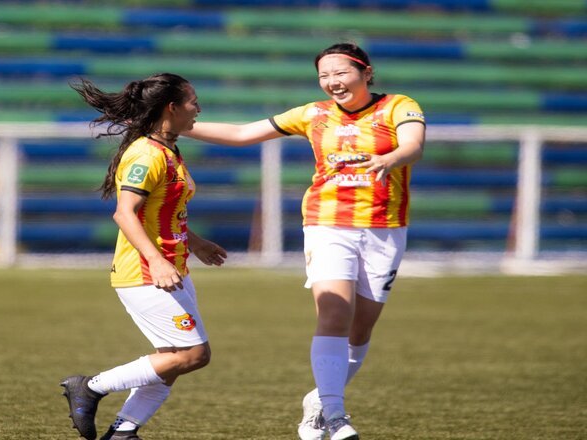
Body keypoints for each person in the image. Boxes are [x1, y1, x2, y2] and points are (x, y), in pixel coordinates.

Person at [183, 42, 425, 440]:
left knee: (361, 330)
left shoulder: (399, 105)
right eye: (324, 76)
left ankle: (319, 399)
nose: (332, 82)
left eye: (341, 73)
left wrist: (390, 158)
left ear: (365, 72)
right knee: (334, 313)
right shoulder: (312, 113)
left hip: (384, 227)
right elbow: (244, 132)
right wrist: (173, 127)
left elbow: (413, 144)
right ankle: (334, 412)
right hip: (327, 223)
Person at [60, 73, 228, 440]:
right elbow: (124, 213)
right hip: (146, 272)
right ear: (172, 107)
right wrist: (156, 260)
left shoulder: (168, 149)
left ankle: (123, 432)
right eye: (193, 101)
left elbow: (163, 212)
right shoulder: (146, 155)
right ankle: (90, 386)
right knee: (194, 355)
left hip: (171, 268)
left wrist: (195, 243)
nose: (198, 108)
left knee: (169, 360)